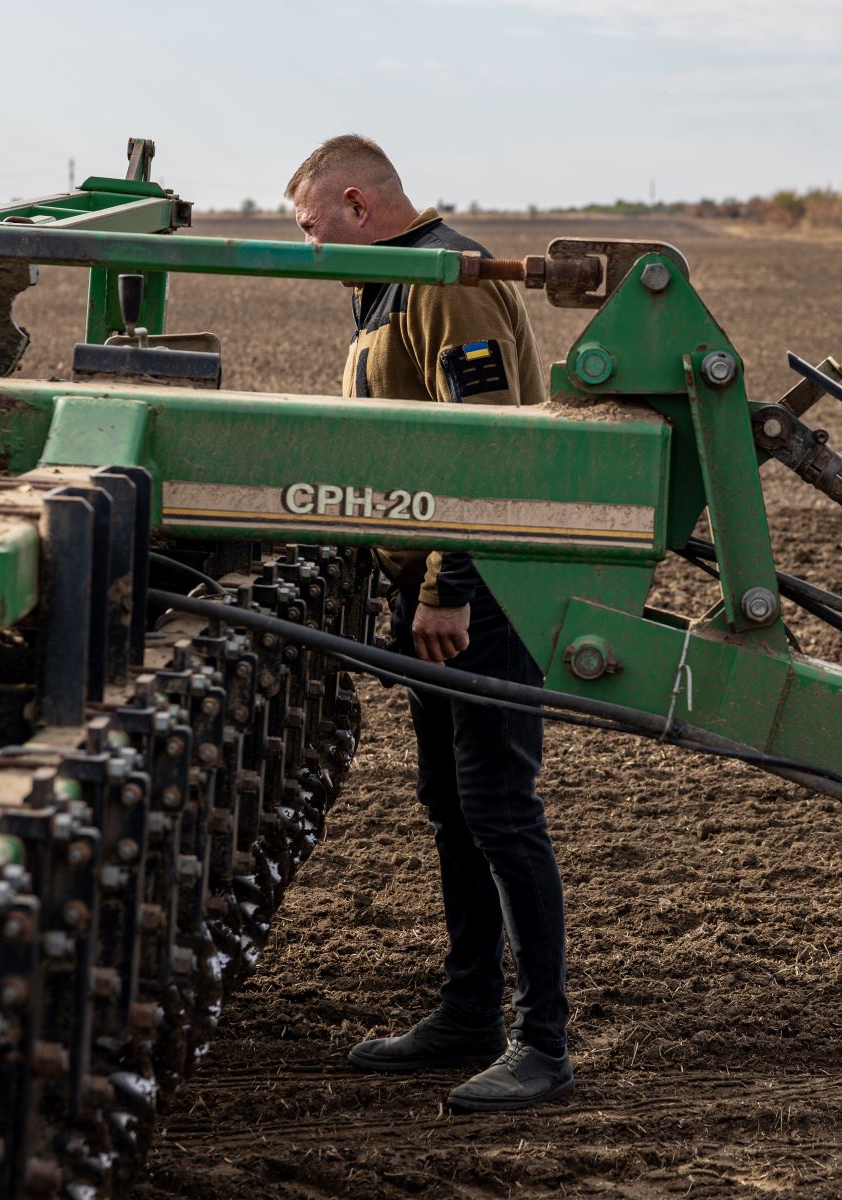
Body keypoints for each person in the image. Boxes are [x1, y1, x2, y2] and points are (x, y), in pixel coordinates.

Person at [284, 134, 573, 1112]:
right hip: (437, 592)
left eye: (313, 226)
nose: (312, 247)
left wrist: (446, 583)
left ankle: (543, 1044)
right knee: (453, 805)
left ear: (359, 204)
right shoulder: (387, 292)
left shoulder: (444, 282)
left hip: (485, 585)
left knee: (499, 807)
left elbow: (484, 445)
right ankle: (468, 1015)